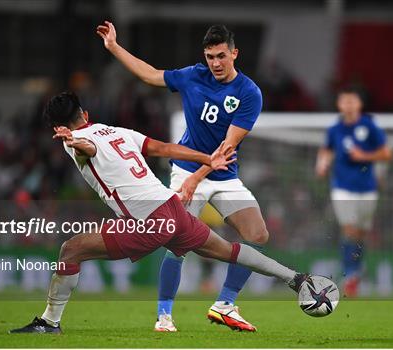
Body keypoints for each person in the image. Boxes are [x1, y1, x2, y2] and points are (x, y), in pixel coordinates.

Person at [10, 92, 310, 334]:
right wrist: (207, 158)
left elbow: (87, 148)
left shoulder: (75, 142)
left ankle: (49, 323)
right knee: (229, 250)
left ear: (58, 127)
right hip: (173, 209)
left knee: (70, 250)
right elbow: (166, 149)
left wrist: (75, 142)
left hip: (148, 221)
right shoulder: (118, 132)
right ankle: (294, 277)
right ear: (85, 114)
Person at [97, 21, 267, 332]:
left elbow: (226, 148)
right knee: (177, 243)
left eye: (220, 56)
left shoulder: (248, 93)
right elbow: (150, 74)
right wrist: (114, 47)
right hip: (186, 170)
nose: (214, 63)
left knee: (257, 235)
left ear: (234, 54)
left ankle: (225, 304)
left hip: (222, 174)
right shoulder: (193, 76)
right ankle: (164, 317)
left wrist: (196, 179)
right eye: (209, 56)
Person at [316, 88, 393, 297]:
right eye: (344, 101)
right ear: (339, 105)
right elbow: (327, 149)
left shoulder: (369, 126)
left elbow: (387, 153)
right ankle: (350, 274)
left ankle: (356, 271)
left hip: (367, 188)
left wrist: (364, 155)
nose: (348, 105)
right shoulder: (335, 129)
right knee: (349, 229)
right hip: (341, 187)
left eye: (352, 101)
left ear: (359, 104)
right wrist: (322, 164)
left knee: (360, 234)